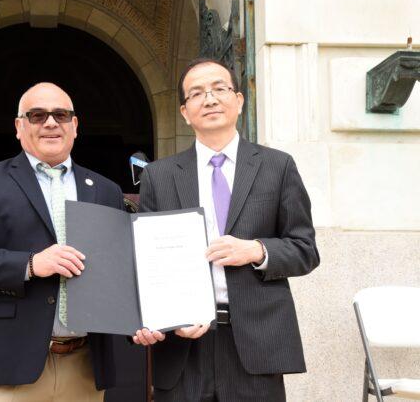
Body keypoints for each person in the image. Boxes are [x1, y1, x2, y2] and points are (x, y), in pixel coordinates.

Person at [132, 58, 320, 401]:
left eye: (220, 89)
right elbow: (146, 262)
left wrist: (257, 251)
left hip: (256, 342)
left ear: (239, 100)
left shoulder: (277, 166)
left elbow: (305, 249)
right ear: (185, 112)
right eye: (197, 93)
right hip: (184, 343)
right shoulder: (159, 176)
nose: (210, 99)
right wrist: (167, 319)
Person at [0, 82, 124, 402]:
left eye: (61, 115)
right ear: (19, 126)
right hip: (7, 366)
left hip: (84, 367)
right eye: (37, 115)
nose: (51, 123)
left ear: (75, 126)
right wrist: (30, 264)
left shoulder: (106, 189)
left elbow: (120, 269)